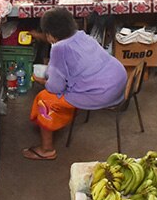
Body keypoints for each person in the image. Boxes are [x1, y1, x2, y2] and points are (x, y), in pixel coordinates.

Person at [25, 8, 128, 161]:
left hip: (103, 93)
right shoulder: (81, 35)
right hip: (119, 80)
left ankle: (47, 149)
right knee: (68, 84)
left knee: (44, 98)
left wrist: (42, 81)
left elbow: (56, 87)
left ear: (51, 35)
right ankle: (65, 115)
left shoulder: (59, 49)